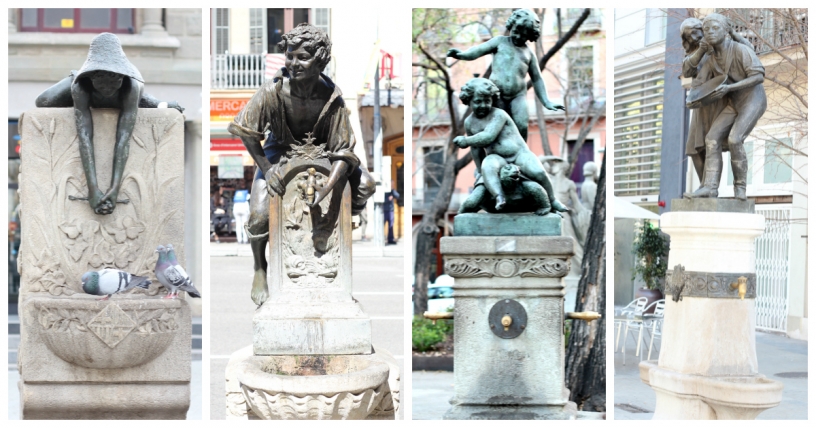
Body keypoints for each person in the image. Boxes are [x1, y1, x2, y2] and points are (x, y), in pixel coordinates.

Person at [228, 23, 375, 306]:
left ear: (320, 60)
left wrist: (330, 190)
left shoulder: (332, 96)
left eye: (302, 57)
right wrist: (267, 169)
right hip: (278, 152)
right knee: (258, 215)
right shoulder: (272, 90)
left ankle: (344, 227)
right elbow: (246, 132)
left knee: (366, 184)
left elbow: (343, 150)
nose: (293, 63)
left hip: (324, 153)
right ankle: (260, 267)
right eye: (290, 56)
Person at [35, 33, 183, 215]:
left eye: (113, 85)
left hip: (127, 98)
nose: (107, 89)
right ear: (91, 79)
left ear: (121, 78)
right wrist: (92, 188)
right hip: (87, 92)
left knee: (137, 100)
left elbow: (123, 140)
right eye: (102, 85)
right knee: (44, 101)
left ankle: (156, 103)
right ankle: (156, 103)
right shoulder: (80, 87)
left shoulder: (130, 87)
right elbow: (85, 137)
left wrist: (115, 188)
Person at [454, 78, 568, 214]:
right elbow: (476, 150)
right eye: (478, 101)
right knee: (487, 166)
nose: (483, 105)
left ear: (493, 100)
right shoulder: (469, 122)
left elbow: (488, 136)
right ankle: (499, 196)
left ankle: (552, 200)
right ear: (468, 101)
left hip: (519, 154)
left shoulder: (498, 115)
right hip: (496, 157)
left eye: (487, 101)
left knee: (538, 172)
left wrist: (466, 141)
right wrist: (480, 170)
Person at [447, 9, 564, 141]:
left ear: (530, 36)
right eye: (516, 32)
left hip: (518, 95)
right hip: (496, 95)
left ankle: (521, 153)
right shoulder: (499, 42)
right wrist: (463, 55)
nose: (518, 37)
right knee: (497, 127)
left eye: (523, 36)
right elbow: (479, 50)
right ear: (511, 26)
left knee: (521, 125)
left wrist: (546, 101)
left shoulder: (529, 54)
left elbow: (537, 79)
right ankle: (498, 154)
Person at [684, 13, 766, 200]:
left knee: (735, 139)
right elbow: (698, 82)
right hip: (733, 102)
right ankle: (710, 188)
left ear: (725, 30)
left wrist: (729, 87)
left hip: (752, 99)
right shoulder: (711, 57)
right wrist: (695, 98)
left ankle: (740, 188)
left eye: (715, 28)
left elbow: (758, 77)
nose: (710, 32)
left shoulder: (739, 50)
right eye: (706, 29)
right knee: (711, 139)